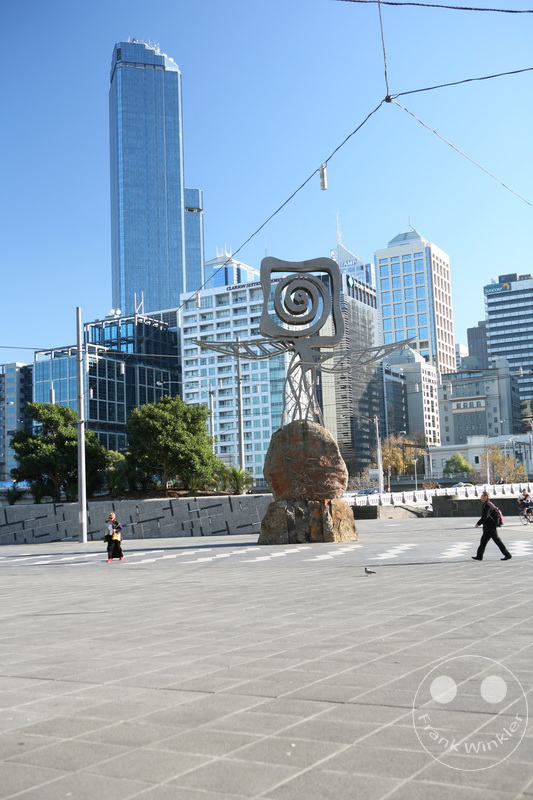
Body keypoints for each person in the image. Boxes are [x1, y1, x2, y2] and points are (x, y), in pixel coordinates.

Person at [472, 492, 511, 561]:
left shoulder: (488, 505)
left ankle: (507, 555)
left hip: (491, 527)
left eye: (482, 496)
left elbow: (485, 516)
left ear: (486, 497)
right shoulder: (486, 504)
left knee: (497, 541)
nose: (480, 497)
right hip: (488, 527)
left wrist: (478, 523)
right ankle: (479, 556)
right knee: (483, 542)